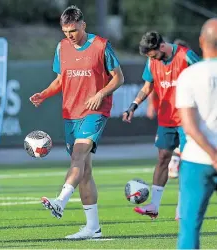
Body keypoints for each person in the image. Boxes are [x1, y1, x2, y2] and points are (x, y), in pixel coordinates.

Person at [30, 5, 124, 239]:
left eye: (73, 30)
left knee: (78, 156)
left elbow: (119, 78)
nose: (70, 35)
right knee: (85, 171)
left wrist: (100, 94)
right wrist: (44, 94)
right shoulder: (62, 47)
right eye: (65, 31)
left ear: (83, 25)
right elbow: (60, 79)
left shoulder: (101, 45)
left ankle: (60, 201)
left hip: (95, 111)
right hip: (70, 113)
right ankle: (93, 228)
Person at [122, 31, 200, 220]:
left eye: (153, 54)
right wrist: (133, 106)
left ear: (162, 46)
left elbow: (205, 77)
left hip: (187, 118)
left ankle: (183, 208)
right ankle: (154, 206)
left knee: (186, 163)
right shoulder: (152, 62)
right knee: (163, 158)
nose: (153, 59)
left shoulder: (185, 55)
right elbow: (147, 86)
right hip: (166, 119)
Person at [176, 18, 217, 249]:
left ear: (201, 41)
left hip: (197, 159)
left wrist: (213, 154)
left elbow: (189, 126)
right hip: (202, 158)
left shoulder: (189, 75)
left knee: (190, 227)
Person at [146, 39, 194, 180]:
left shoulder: (187, 68)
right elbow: (151, 86)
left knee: (189, 146)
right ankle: (175, 158)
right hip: (167, 115)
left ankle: (176, 159)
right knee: (163, 153)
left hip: (183, 115)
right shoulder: (159, 64)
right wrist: (150, 105)